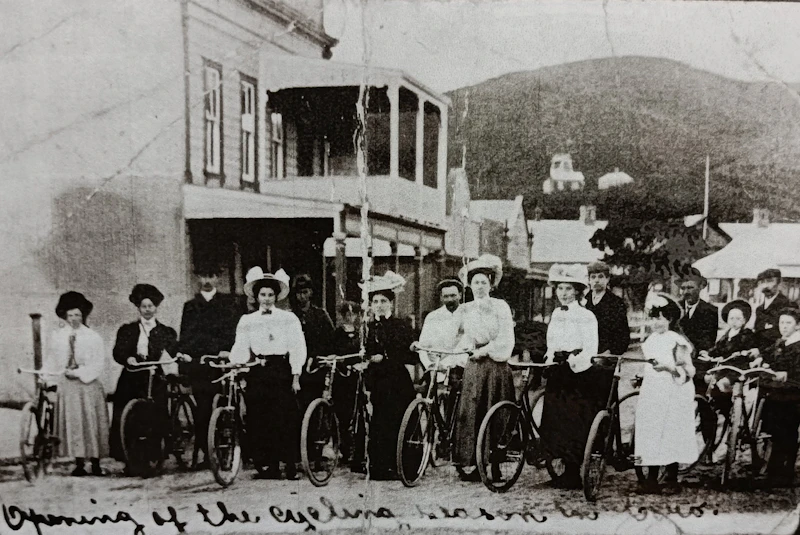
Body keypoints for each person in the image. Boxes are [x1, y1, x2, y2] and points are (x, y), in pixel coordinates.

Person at [229, 267, 306, 480]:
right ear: (256, 296)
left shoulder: (288, 318)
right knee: (261, 418)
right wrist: (239, 368)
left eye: (270, 295)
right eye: (263, 295)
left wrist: (296, 375)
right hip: (258, 372)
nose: (266, 299)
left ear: (276, 297)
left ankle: (290, 465)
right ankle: (269, 465)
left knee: (285, 417)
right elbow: (242, 346)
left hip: (280, 370)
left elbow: (297, 346)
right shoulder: (247, 320)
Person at [538, 263, 602, 489]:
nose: (563, 293)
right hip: (559, 372)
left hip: (578, 374)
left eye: (568, 289)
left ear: (577, 291)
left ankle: (574, 470)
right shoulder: (556, 314)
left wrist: (572, 361)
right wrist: (550, 360)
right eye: (560, 289)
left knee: (574, 419)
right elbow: (551, 342)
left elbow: (590, 348)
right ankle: (560, 464)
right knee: (556, 418)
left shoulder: (586, 316)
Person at [452, 255, 515, 482]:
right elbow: (463, 336)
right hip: (474, 369)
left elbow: (506, 337)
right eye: (475, 282)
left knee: (495, 413)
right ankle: (476, 464)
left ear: (491, 284)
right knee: (472, 413)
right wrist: (461, 352)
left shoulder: (500, 307)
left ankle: (496, 465)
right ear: (469, 285)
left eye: (483, 282)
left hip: (495, 366)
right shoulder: (466, 309)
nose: (479, 286)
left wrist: (486, 350)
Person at [177, 263, 241, 466]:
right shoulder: (190, 306)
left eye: (210, 276)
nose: (206, 281)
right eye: (202, 276)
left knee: (226, 406)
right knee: (203, 410)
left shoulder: (227, 304)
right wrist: (185, 366)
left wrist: (229, 352)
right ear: (197, 277)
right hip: (200, 367)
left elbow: (233, 333)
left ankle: (229, 450)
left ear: (217, 278)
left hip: (221, 364)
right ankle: (207, 453)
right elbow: (185, 338)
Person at [635, 293, 698, 495]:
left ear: (670, 319)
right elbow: (649, 366)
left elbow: (687, 370)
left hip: (674, 390)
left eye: (660, 318)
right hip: (654, 391)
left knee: (671, 430)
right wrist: (642, 377)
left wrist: (669, 368)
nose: (656, 323)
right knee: (652, 430)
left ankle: (672, 477)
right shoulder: (650, 340)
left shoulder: (676, 341)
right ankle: (651, 478)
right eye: (653, 318)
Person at [358, 271, 417, 480]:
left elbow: (408, 354)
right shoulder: (368, 327)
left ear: (391, 303)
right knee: (376, 421)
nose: (379, 305)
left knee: (396, 419)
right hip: (376, 379)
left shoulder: (401, 325)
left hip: (396, 380)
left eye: (383, 301)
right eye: (375, 301)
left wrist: (385, 357)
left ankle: (400, 464)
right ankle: (378, 465)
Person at [111, 284, 178, 464]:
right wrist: (128, 358)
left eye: (150, 306)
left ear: (156, 308)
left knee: (154, 415)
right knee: (128, 418)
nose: (147, 310)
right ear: (138, 308)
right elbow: (118, 351)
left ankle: (153, 456)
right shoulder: (128, 330)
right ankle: (129, 458)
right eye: (144, 306)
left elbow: (172, 352)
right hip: (132, 377)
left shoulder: (166, 332)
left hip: (155, 377)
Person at [47, 292, 109, 476]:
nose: (74, 319)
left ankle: (96, 462)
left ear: (83, 316)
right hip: (69, 387)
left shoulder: (92, 336)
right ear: (65, 316)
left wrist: (80, 372)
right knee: (75, 424)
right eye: (70, 315)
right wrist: (49, 379)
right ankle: (79, 462)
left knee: (91, 423)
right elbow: (52, 359)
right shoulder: (58, 336)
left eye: (78, 315)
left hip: (87, 385)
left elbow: (98, 362)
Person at [758, 307, 800, 488]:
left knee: (788, 433)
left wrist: (788, 375)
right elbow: (768, 355)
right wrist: (759, 358)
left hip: (793, 395)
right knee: (775, 433)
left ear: (797, 325)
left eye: (788, 323)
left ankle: (787, 472)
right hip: (776, 393)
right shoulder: (780, 342)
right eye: (781, 322)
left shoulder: (797, 345)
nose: (783, 326)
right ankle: (773, 471)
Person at [699, 300, 759, 409]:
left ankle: (730, 404)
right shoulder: (726, 335)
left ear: (744, 320)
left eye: (738, 319)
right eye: (731, 318)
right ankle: (714, 402)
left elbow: (751, 348)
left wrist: (746, 353)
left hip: (737, 367)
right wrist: (708, 353)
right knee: (709, 378)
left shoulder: (746, 334)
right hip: (724, 365)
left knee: (724, 383)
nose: (734, 322)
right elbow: (717, 348)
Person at [291, 274, 335, 409]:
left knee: (313, 402)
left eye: (305, 292)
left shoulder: (320, 315)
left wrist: (315, 356)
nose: (302, 296)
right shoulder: (291, 316)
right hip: (296, 366)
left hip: (315, 367)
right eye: (299, 293)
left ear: (311, 292)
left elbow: (330, 340)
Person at [677, 268, 719, 393]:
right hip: (676, 359)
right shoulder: (675, 309)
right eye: (683, 288)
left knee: (698, 395)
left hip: (697, 360)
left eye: (690, 288)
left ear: (700, 287)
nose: (686, 292)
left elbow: (708, 340)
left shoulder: (710, 311)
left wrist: (692, 352)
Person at [330, 301, 362, 462]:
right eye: (347, 314)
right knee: (342, 412)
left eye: (353, 314)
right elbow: (332, 351)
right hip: (341, 377)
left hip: (356, 376)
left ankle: (357, 448)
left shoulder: (360, 333)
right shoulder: (337, 333)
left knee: (356, 411)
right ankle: (343, 447)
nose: (350, 317)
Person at [585, 261, 630, 356]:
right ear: (589, 280)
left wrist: (609, 352)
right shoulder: (584, 302)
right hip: (585, 355)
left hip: (607, 356)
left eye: (600, 276)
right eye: (593, 277)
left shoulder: (616, 303)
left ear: (607, 279)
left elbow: (623, 335)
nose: (596, 280)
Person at [753, 268, 798, 350]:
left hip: (779, 352)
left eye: (770, 281)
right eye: (762, 282)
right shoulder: (759, 309)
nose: (766, 285)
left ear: (779, 283)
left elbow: (789, 336)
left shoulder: (788, 305)